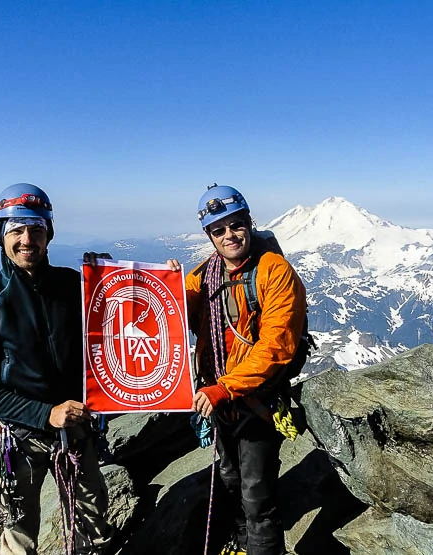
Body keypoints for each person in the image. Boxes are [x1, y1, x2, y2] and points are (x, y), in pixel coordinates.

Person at [0, 183, 115, 555]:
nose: (27, 238)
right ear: (2, 235)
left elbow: (121, 319)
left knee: (93, 520)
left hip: (77, 427)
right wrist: (46, 414)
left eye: (36, 228)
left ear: (48, 233)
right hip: (22, 436)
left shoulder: (73, 285)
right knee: (20, 533)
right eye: (16, 229)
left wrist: (122, 275)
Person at [168, 184, 307, 555]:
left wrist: (224, 389)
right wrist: (162, 285)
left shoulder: (274, 272)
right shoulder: (205, 274)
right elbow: (170, 312)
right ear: (210, 236)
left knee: (257, 494)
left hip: (256, 398)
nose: (229, 235)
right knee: (230, 479)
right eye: (219, 230)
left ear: (249, 222)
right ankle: (243, 545)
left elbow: (276, 346)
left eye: (236, 225)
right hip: (221, 400)